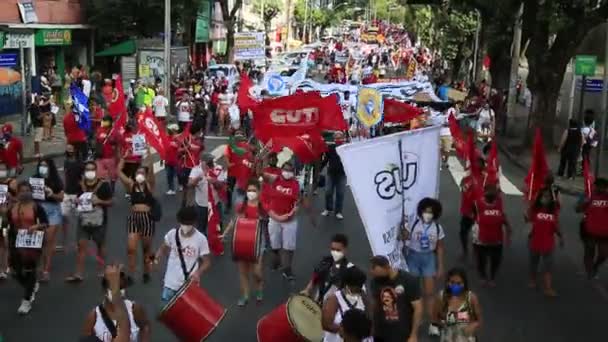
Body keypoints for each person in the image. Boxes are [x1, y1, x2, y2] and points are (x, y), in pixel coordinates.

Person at [403, 198, 445, 336]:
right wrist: (402, 233)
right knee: (413, 292)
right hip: (413, 257)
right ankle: (415, 318)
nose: (428, 214)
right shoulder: (413, 224)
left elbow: (439, 248)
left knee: (429, 293)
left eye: (431, 212)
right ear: (420, 212)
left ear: (435, 214)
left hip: (428, 259)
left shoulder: (438, 228)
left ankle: (433, 323)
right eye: (425, 211)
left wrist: (440, 266)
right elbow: (403, 238)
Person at [65, 161, 113, 282]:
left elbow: (111, 202)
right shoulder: (80, 185)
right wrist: (76, 202)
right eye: (87, 170)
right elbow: (76, 200)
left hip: (99, 221)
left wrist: (100, 201)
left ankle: (102, 270)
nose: (90, 172)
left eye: (92, 169)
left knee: (100, 245)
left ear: (96, 171)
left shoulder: (104, 185)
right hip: (83, 220)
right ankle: (78, 274)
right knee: (81, 246)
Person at [154, 206, 211, 306]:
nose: (185, 226)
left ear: (194, 222)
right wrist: (156, 259)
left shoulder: (201, 239)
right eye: (183, 223)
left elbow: (207, 261)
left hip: (189, 286)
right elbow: (163, 248)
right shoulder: (172, 234)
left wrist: (198, 273)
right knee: (168, 315)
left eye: (188, 223)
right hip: (170, 284)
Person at [220, 180, 265, 306]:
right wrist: (225, 233)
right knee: (243, 271)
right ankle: (245, 295)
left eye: (254, 190)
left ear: (259, 192)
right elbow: (234, 220)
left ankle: (259, 286)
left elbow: (270, 221)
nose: (251, 193)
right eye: (249, 190)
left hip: (257, 242)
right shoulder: (242, 206)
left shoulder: (262, 207)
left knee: (256, 272)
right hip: (241, 240)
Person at [7, 181, 49, 314]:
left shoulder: (37, 207)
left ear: (31, 192)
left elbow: (45, 223)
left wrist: (36, 226)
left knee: (30, 270)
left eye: (27, 190)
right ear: (17, 193)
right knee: (15, 271)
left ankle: (26, 301)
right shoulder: (12, 208)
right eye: (22, 191)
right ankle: (30, 286)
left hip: (32, 244)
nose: (24, 193)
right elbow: (8, 225)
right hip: (16, 242)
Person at [81, 266, 151, 342]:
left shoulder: (134, 309)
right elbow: (86, 338)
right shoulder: (94, 316)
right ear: (105, 290)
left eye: (120, 288)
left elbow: (145, 326)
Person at [117, 154, 156, 284]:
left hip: (147, 219)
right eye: (138, 172)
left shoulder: (149, 186)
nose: (139, 175)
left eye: (142, 173)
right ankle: (131, 274)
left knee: (146, 248)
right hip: (134, 218)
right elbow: (118, 172)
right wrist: (124, 156)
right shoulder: (131, 185)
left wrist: (149, 153)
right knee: (131, 248)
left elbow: (151, 171)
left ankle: (146, 272)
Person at [369, 255, 422, 342]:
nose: (372, 272)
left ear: (387, 267)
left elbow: (418, 308)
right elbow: (375, 305)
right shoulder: (375, 282)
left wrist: (414, 335)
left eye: (374, 268)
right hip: (381, 333)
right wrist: (372, 328)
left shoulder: (408, 280)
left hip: (402, 333)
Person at [265, 160, 300, 280]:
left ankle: (287, 268)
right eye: (285, 169)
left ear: (294, 172)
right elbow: (262, 174)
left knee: (289, 247)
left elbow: (298, 200)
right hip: (275, 218)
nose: (287, 172)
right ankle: (277, 261)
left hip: (289, 221)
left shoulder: (296, 184)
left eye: (290, 170)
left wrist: (296, 208)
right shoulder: (275, 179)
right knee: (274, 244)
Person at [472, 184, 511, 287]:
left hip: (497, 239)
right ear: (484, 193)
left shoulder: (499, 203)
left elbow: (505, 219)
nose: (491, 194)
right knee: (481, 259)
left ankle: (492, 277)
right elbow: (474, 217)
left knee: (496, 259)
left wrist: (508, 235)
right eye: (489, 192)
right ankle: (483, 276)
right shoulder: (477, 203)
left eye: (493, 192)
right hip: (481, 239)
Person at [526, 187, 562, 296]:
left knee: (548, 265)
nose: (545, 198)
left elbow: (556, 225)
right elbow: (528, 221)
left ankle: (548, 288)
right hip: (535, 240)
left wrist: (561, 237)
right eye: (543, 196)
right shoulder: (535, 209)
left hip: (548, 242)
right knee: (534, 263)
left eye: (547, 196)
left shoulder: (554, 210)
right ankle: (532, 280)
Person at [33, 157, 64, 282]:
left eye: (45, 165)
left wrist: (52, 194)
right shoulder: (34, 179)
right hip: (38, 210)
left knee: (48, 241)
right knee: (40, 241)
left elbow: (61, 198)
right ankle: (38, 265)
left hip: (52, 211)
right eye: (41, 165)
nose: (43, 168)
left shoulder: (56, 181)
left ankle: (46, 270)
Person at [302, 234, 356, 303]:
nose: (335, 253)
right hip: (318, 302)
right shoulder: (325, 262)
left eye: (338, 250)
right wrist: (307, 290)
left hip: (335, 306)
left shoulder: (350, 271)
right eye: (333, 249)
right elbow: (315, 278)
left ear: (345, 250)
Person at [432, 268, 482, 342]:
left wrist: (473, 326)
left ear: (464, 284)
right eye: (452, 282)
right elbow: (435, 318)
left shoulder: (471, 298)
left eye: (459, 283)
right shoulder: (441, 298)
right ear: (447, 282)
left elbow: (479, 320)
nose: (455, 286)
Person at [322, 267, 371, 342]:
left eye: (361, 285)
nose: (360, 288)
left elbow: (370, 321)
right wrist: (349, 331)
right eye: (357, 285)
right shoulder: (334, 299)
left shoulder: (364, 298)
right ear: (348, 284)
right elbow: (326, 324)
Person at [576, 177, 608, 279]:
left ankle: (595, 266)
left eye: (604, 187)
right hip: (589, 228)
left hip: (604, 231)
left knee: (603, 254)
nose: (602, 189)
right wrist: (585, 203)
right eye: (600, 186)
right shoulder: (588, 195)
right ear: (596, 186)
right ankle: (589, 270)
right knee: (590, 250)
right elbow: (577, 209)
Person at [60, 143, 84, 251]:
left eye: (71, 148)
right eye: (67, 149)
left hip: (77, 194)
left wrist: (83, 193)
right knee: (64, 217)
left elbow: (82, 179)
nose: (69, 150)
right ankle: (64, 242)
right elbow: (65, 176)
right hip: (66, 193)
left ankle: (78, 242)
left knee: (78, 219)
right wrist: (63, 189)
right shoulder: (66, 162)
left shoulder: (80, 163)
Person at [321, 132, 347, 220]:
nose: (338, 139)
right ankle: (328, 209)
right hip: (331, 173)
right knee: (328, 191)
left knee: (340, 193)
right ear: (334, 139)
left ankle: (338, 212)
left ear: (343, 138)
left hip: (342, 174)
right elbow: (326, 159)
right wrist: (320, 169)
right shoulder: (330, 148)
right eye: (336, 137)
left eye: (340, 137)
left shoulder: (346, 148)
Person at [188, 151, 211, 235]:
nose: (210, 163)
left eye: (211, 160)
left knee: (216, 227)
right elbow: (190, 184)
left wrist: (214, 181)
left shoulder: (216, 168)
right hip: (202, 205)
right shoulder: (196, 170)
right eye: (208, 161)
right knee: (201, 228)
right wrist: (200, 176)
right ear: (202, 161)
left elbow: (221, 185)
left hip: (214, 204)